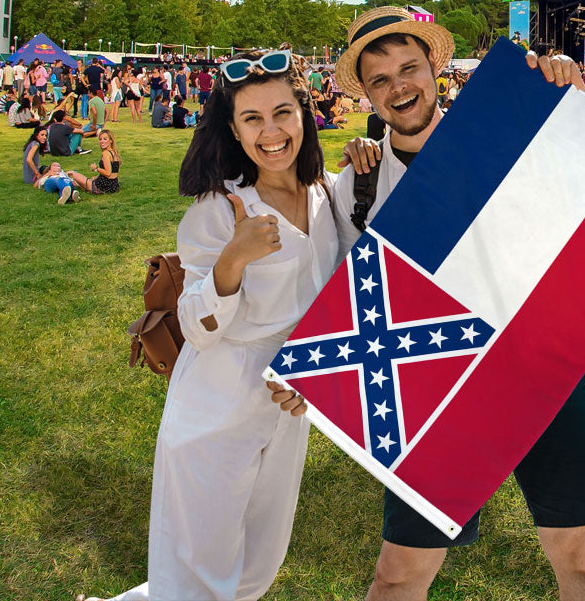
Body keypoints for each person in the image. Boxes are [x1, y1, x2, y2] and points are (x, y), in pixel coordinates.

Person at [272, 7, 585, 601]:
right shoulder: (352, 185)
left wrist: (569, 92)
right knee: (398, 575)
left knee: (584, 559)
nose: (398, 87)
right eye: (380, 79)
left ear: (434, 70)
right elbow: (339, 296)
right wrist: (310, 371)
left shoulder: (506, 137)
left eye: (409, 68)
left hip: (538, 365)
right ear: (368, 93)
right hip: (431, 385)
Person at [81, 49, 373, 601]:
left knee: (255, 567)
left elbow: (353, 282)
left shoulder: (325, 193)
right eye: (252, 119)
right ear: (234, 130)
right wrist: (232, 260)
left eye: (282, 112)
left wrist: (369, 156)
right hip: (216, 404)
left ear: (305, 113)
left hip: (288, 401)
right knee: (197, 574)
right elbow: (199, 327)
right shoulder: (218, 211)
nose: (271, 132)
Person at [69, 129, 121, 195]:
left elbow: (108, 173)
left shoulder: (106, 153)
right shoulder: (114, 153)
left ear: (111, 140)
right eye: (100, 139)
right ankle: (75, 185)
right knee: (81, 182)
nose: (102, 141)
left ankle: (66, 180)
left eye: (105, 139)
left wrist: (96, 168)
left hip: (103, 186)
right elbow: (113, 172)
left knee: (74, 174)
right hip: (114, 186)